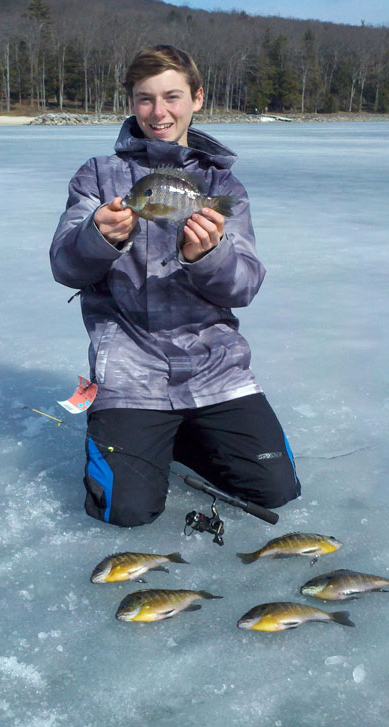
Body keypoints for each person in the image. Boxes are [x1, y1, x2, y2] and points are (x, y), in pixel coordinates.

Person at [49, 45, 300, 527]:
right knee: (124, 510)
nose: (158, 112)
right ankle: (145, 436)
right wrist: (97, 237)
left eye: (172, 97)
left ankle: (177, 437)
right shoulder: (98, 176)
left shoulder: (222, 187)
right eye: (145, 99)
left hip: (214, 365)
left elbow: (243, 286)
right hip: (129, 369)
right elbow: (65, 265)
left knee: (275, 489)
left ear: (197, 98)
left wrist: (209, 256)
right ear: (131, 102)